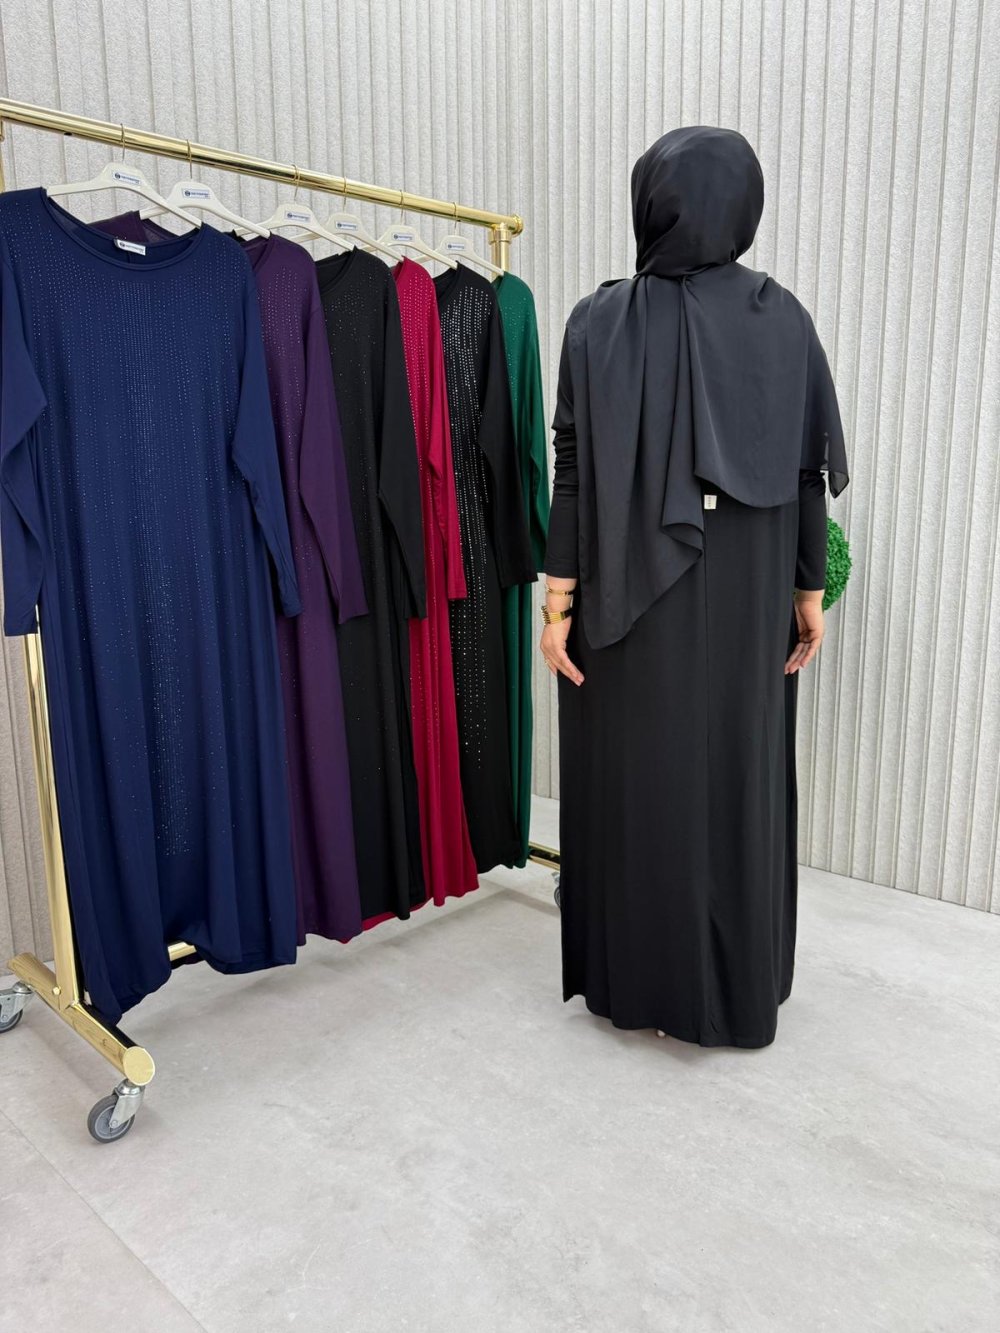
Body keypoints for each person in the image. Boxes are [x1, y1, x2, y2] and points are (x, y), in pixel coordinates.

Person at [540, 127, 849, 1049]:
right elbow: (805, 470)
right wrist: (806, 592)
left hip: (627, 588)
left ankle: (636, 982)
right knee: (737, 774)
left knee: (638, 778)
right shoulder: (784, 319)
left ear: (651, 202)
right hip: (753, 584)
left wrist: (558, 603)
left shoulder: (597, 321)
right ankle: (735, 985)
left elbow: (570, 470)